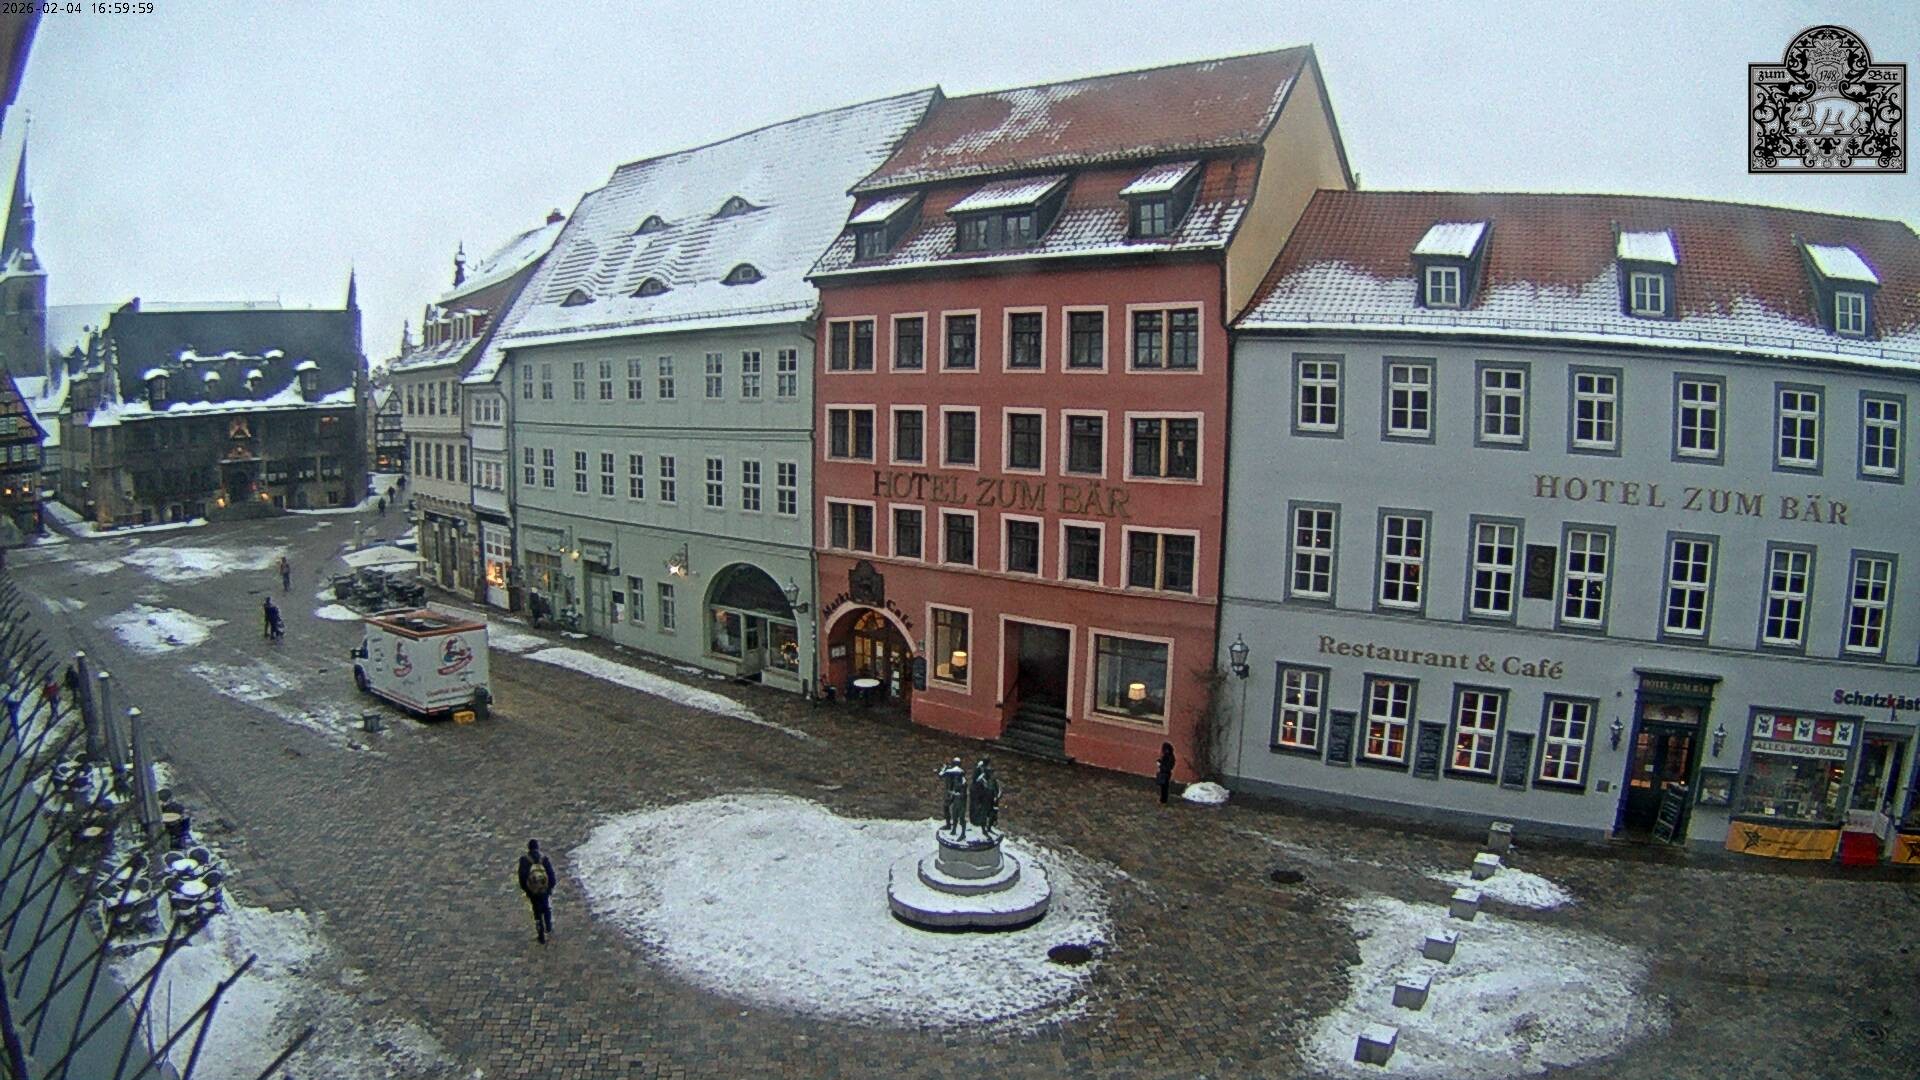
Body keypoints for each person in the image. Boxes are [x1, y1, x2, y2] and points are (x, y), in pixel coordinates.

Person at [518, 839, 556, 944]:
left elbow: (522, 878)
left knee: (537, 912)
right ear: (538, 847)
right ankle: (548, 926)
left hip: (533, 892)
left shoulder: (524, 860)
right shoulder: (544, 859)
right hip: (544, 890)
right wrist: (549, 888)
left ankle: (541, 935)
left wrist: (527, 890)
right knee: (546, 907)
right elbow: (551, 875)